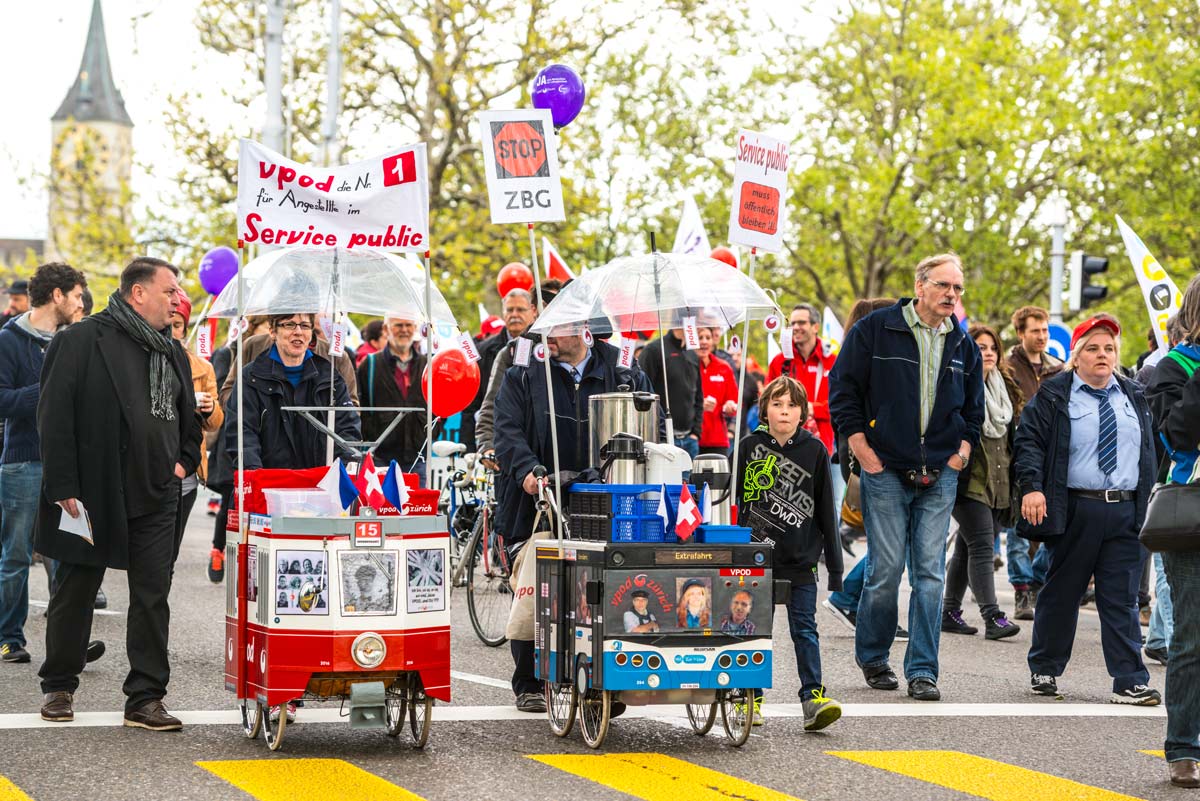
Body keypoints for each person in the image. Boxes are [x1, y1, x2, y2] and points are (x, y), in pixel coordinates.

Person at [37, 257, 201, 730]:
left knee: (152, 595)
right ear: (138, 293)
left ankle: (145, 699)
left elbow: (189, 417)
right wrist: (63, 485)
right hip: (92, 492)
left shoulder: (169, 350)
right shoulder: (81, 340)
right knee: (76, 590)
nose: (177, 299)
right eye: (169, 291)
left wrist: (182, 463)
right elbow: (53, 417)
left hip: (157, 491)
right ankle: (59, 685)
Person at [829, 253, 984, 702]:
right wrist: (863, 451)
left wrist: (961, 453)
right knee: (885, 569)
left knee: (930, 576)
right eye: (943, 286)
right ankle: (874, 656)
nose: (951, 295)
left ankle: (922, 670)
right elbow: (843, 391)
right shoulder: (876, 330)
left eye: (957, 288)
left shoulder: (963, 343)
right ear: (920, 286)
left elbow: (973, 409)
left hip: (941, 473)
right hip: (885, 469)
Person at [493, 329, 653, 712]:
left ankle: (601, 681)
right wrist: (528, 470)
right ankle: (529, 681)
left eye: (558, 327)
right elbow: (507, 429)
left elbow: (652, 427)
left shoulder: (623, 367)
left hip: (608, 497)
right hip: (539, 497)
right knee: (540, 584)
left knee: (602, 588)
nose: (547, 334)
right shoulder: (524, 369)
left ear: (584, 329)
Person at [1015, 315, 1160, 705]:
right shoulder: (1054, 394)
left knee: (1122, 598)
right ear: (1077, 356)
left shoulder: (1135, 395)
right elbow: (1029, 443)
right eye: (1093, 348)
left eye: (1109, 348)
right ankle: (1044, 668)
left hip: (1126, 510)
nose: (1102, 355)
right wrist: (1032, 488)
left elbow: (1150, 450)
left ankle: (1129, 679)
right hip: (1075, 508)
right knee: (1062, 593)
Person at [225, 312, 360, 723]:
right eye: (289, 325)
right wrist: (258, 485)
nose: (297, 333)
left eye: (304, 326)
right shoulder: (252, 376)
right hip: (274, 497)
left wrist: (352, 465)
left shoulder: (329, 373)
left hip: (321, 495)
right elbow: (241, 435)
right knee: (279, 592)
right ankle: (283, 682)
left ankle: (325, 665)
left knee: (325, 586)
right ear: (274, 331)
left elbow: (348, 428)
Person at [0, 263, 104, 667]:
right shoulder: (8, 339)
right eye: (77, 295)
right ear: (57, 295)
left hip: (70, 465)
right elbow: (4, 401)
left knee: (68, 555)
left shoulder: (77, 339)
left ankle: (69, 644)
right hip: (23, 462)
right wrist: (49, 388)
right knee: (15, 556)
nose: (82, 303)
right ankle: (9, 638)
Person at [737, 375, 842, 729]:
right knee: (754, 630)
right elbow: (734, 501)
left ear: (803, 413)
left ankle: (813, 697)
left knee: (805, 629)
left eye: (792, 405)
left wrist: (837, 568)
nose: (784, 411)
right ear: (764, 408)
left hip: (801, 561)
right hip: (755, 559)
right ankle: (750, 698)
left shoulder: (815, 450)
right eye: (777, 404)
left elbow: (827, 509)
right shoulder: (748, 447)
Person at [1145, 275, 1200, 787]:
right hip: (1193, 515)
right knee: (1193, 635)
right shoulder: (1173, 368)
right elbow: (1178, 433)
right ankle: (1185, 746)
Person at [941, 324, 1023, 640]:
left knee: (966, 546)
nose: (987, 353)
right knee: (982, 544)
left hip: (998, 483)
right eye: (979, 347)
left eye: (991, 348)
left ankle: (949, 609)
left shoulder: (1007, 389)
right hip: (966, 480)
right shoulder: (957, 385)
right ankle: (993, 616)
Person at [1004, 305, 1064, 618]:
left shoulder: (1058, 368)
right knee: (1018, 528)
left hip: (1052, 457)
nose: (1041, 337)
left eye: (1044, 331)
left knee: (1053, 527)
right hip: (1016, 455)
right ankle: (1022, 590)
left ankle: (1037, 579)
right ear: (1020, 333)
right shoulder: (1008, 367)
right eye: (1034, 331)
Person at [167, 294, 223, 571]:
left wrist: (210, 407)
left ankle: (156, 608)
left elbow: (215, 423)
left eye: (178, 325)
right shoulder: (140, 361)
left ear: (185, 329)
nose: (172, 331)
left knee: (169, 553)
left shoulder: (203, 368)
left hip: (187, 474)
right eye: (168, 324)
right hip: (149, 469)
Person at [356, 316, 430, 485]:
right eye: (398, 325)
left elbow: (438, 407)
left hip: (417, 457)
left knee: (416, 509)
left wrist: (428, 430)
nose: (404, 330)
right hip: (380, 457)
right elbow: (359, 405)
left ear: (415, 328)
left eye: (408, 325)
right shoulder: (370, 364)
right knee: (380, 509)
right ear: (386, 329)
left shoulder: (428, 365)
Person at [463, 288, 536, 453]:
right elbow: (472, 406)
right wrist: (471, 449)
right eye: (510, 309)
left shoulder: (545, 349)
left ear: (533, 311)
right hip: (494, 444)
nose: (514, 314)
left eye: (520, 309)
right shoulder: (482, 351)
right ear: (503, 312)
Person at [767, 303, 837, 455]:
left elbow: (841, 402)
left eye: (801, 322)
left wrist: (814, 409)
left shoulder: (832, 361)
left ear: (815, 327)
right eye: (792, 323)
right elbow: (766, 401)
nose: (796, 327)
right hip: (784, 444)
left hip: (825, 443)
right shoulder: (779, 362)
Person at [638, 329, 704, 460]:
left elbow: (698, 395)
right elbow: (642, 392)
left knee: (688, 481)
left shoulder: (693, 354)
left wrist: (696, 431)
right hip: (662, 441)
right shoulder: (654, 350)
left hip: (689, 440)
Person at [697, 327, 739, 457]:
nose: (704, 342)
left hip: (717, 439)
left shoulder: (724, 367)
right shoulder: (686, 366)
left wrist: (730, 406)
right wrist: (700, 405)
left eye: (708, 338)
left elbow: (733, 400)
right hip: (691, 438)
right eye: (700, 337)